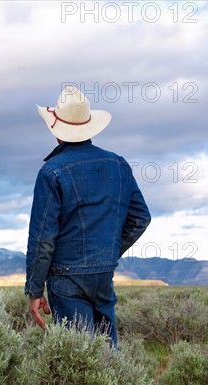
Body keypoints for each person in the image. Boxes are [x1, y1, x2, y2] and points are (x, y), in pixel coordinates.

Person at [24, 86, 151, 348]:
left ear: (56, 130)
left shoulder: (52, 171)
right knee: (108, 360)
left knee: (79, 362)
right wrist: (109, 252)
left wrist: (35, 290)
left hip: (65, 276)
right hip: (103, 274)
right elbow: (140, 217)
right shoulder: (118, 164)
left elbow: (42, 238)